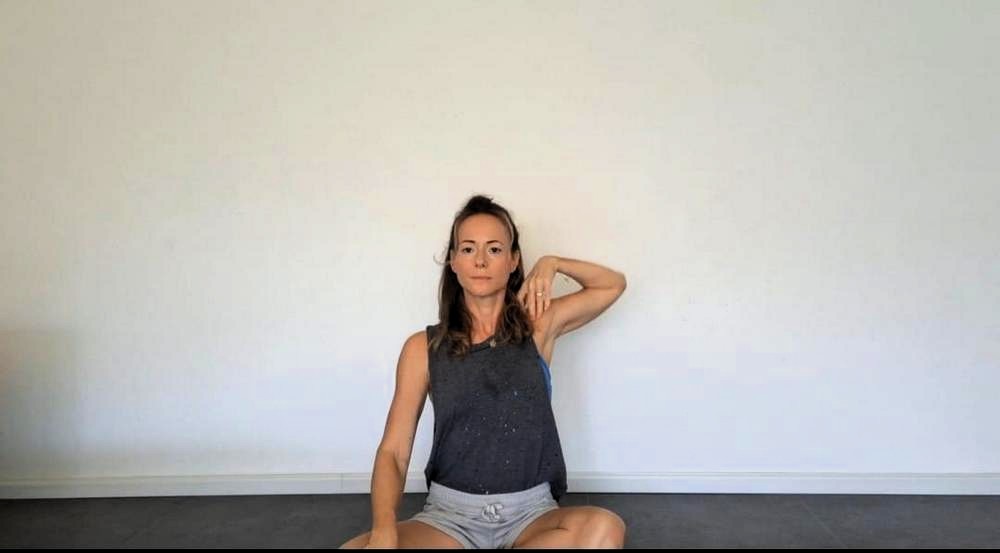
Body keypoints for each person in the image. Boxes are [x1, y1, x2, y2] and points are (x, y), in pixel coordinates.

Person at [340, 195, 627, 549]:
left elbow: (612, 285)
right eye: (468, 249)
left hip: (531, 516)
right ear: (453, 261)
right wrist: (384, 530)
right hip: (449, 519)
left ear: (513, 260)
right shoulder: (421, 348)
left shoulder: (539, 327)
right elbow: (394, 452)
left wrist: (552, 263)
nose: (480, 260)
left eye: (494, 249)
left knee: (604, 529)